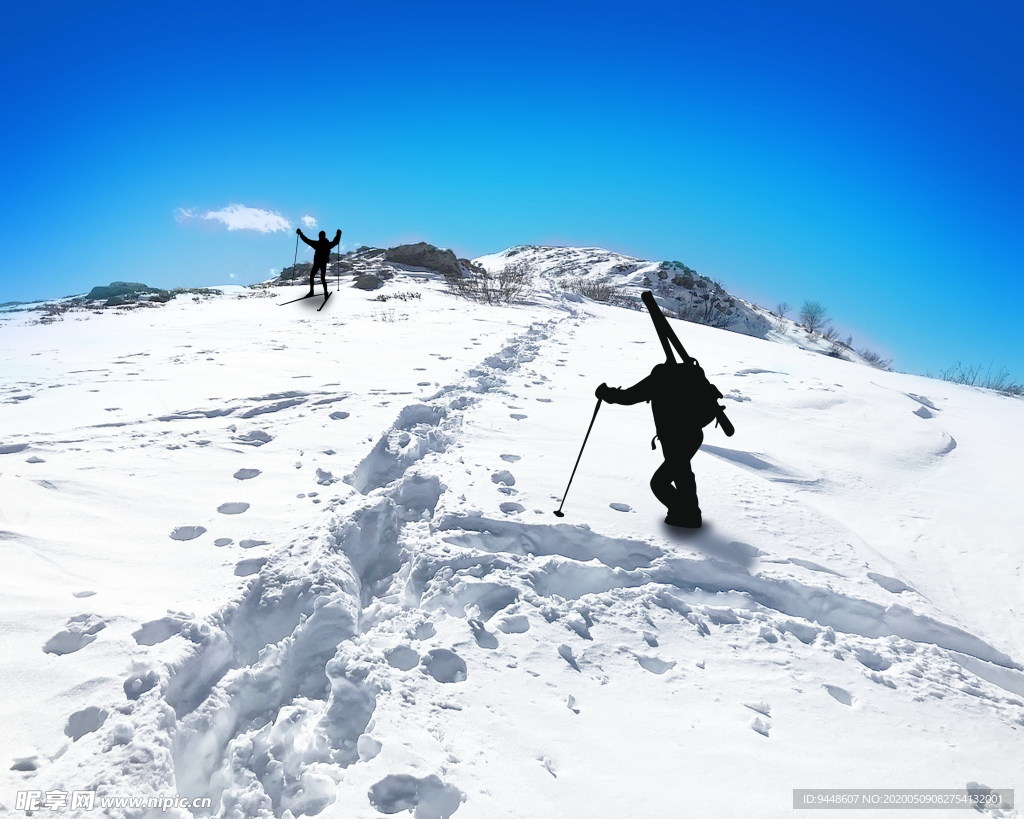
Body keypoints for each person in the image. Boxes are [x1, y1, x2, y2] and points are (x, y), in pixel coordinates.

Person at [596, 363, 706, 528]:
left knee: (660, 482)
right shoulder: (687, 374)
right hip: (693, 435)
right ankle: (688, 514)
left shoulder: (660, 377)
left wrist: (605, 392)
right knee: (682, 475)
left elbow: (628, 397)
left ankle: (685, 515)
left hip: (675, 438)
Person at [296, 228, 342, 297]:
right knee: (322, 278)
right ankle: (326, 293)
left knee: (312, 277)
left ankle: (312, 292)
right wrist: (338, 234)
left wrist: (300, 234)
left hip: (317, 263)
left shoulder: (317, 244)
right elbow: (336, 242)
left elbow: (306, 240)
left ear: (319, 236)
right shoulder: (328, 244)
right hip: (323, 263)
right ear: (324, 236)